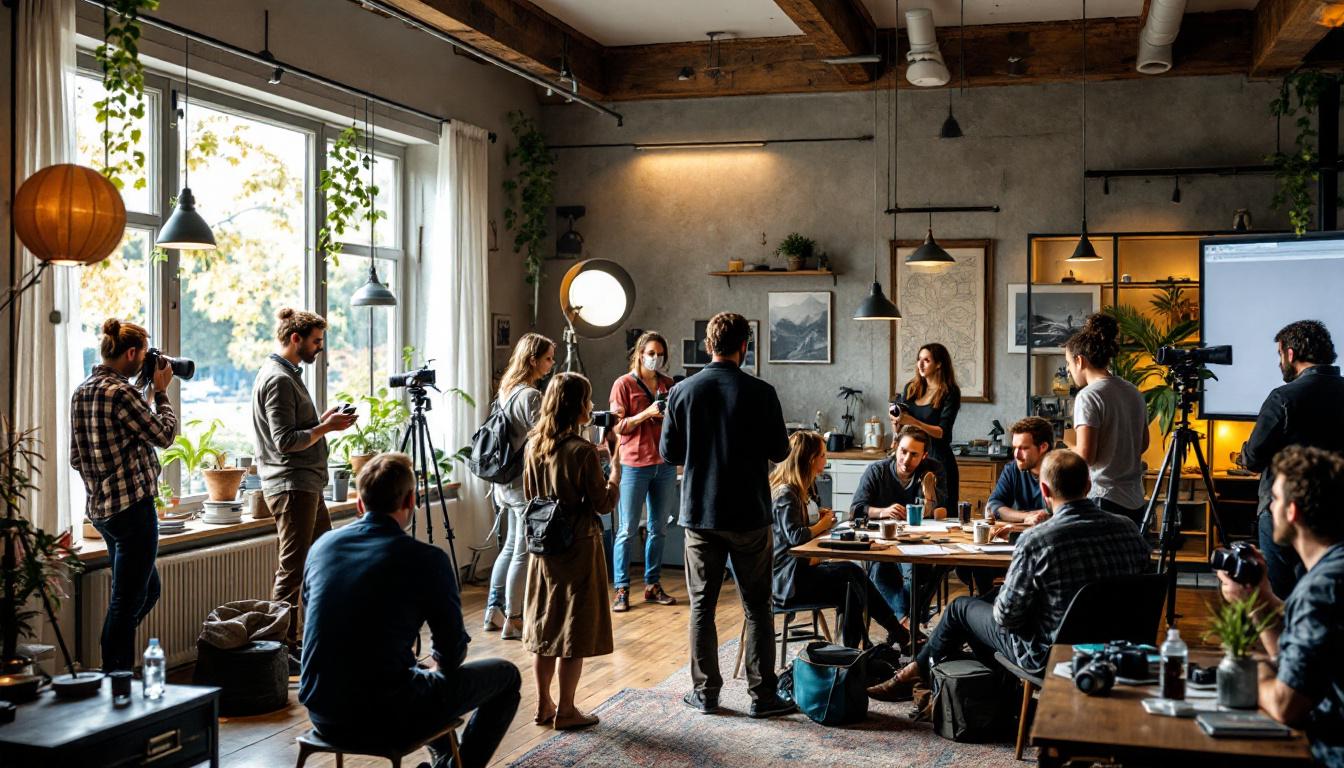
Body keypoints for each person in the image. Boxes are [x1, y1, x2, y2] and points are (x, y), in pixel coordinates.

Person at [867, 449, 1151, 702]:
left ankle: (918, 674)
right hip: (1119, 649)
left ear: (1045, 491)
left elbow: (1006, 618)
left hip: (1048, 654)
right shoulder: (1129, 529)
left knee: (960, 609)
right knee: (989, 599)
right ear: (1089, 486)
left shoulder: (1039, 539)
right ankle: (966, 682)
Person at [300, 453, 521, 768]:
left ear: (360, 504)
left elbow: (320, 621)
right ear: (411, 501)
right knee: (507, 676)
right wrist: (434, 664)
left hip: (322, 712)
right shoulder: (427, 559)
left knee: (411, 672)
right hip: (386, 717)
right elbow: (451, 654)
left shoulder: (321, 547)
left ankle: (447, 757)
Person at [660, 312, 794, 718]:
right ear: (745, 346)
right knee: (757, 607)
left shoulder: (682, 391)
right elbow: (781, 452)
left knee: (702, 606)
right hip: (750, 516)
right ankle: (762, 696)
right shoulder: (762, 391)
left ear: (707, 345)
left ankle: (705, 694)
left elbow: (669, 454)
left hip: (700, 514)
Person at [1214, 445, 1344, 767]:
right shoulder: (1332, 570)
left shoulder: (1321, 589)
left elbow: (1287, 705)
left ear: (1292, 511)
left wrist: (1248, 669)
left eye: (1274, 498)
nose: (1269, 507)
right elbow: (1301, 666)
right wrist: (1260, 599)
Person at [70, 319, 178, 671]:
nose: (146, 360)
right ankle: (116, 682)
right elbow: (163, 435)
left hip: (102, 511)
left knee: (144, 593)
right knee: (125, 603)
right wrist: (161, 392)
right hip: (133, 511)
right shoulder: (122, 393)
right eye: (144, 353)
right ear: (131, 353)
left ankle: (114, 666)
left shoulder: (82, 391)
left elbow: (76, 457)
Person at [251, 308, 357, 663]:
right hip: (292, 485)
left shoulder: (286, 375)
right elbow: (284, 440)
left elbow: (296, 429)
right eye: (316, 341)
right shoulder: (279, 379)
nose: (319, 348)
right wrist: (326, 428)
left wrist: (324, 421)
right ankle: (279, 650)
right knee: (293, 569)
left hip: (304, 484)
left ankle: (308, 640)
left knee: (322, 559)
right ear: (295, 338)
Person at [522, 372, 620, 730]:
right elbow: (603, 502)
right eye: (588, 400)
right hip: (578, 546)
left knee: (546, 625)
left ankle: (543, 704)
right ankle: (566, 709)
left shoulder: (534, 446)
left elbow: (532, 492)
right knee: (573, 628)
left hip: (542, 545)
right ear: (577, 406)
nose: (591, 406)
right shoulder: (581, 452)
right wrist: (616, 468)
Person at [771, 431, 909, 650]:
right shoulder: (786, 493)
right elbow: (796, 537)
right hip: (787, 582)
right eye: (823, 455)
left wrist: (819, 516)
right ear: (810, 459)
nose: (826, 459)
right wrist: (822, 525)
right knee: (851, 576)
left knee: (851, 580)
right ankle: (879, 638)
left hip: (801, 571)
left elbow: (802, 529)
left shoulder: (802, 490)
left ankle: (861, 645)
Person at [1240, 320, 1344, 598]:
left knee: (1281, 595)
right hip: (1337, 510)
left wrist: (1241, 452)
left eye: (1279, 354)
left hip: (1284, 509)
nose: (1279, 362)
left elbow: (1253, 458)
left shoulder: (1283, 398)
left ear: (1290, 353)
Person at [483, 332, 554, 640]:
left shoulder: (506, 391)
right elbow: (544, 439)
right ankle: (513, 619)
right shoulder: (531, 396)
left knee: (510, 547)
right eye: (548, 358)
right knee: (523, 552)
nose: (552, 364)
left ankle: (492, 612)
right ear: (533, 360)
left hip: (503, 483)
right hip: (522, 483)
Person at [608, 330, 678, 613]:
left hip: (664, 465)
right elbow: (617, 426)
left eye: (660, 354)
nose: (656, 358)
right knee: (626, 529)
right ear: (639, 354)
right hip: (634, 465)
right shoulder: (623, 384)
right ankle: (622, 589)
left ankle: (652, 584)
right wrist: (646, 414)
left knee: (659, 528)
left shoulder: (668, 384)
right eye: (651, 353)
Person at [850, 425, 946, 626]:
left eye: (914, 455)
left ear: (924, 456)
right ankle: (907, 623)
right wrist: (883, 512)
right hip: (883, 541)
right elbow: (857, 509)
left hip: (919, 541)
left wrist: (931, 500)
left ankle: (906, 625)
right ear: (895, 447)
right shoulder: (877, 471)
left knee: (925, 569)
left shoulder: (933, 469)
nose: (906, 460)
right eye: (903, 452)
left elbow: (945, 511)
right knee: (878, 569)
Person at [1063, 313, 1149, 525]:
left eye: (1068, 363)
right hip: (1135, 499)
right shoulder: (1132, 390)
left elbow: (1086, 456)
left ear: (1080, 361)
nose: (1068, 370)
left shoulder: (1088, 396)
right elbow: (1143, 443)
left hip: (1104, 498)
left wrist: (1066, 449)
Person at [890, 342, 961, 510]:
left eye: (926, 360)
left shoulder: (950, 392)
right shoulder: (911, 388)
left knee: (940, 511)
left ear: (939, 364)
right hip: (912, 457)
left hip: (938, 458)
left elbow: (942, 432)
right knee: (906, 508)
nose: (920, 364)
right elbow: (899, 429)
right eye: (919, 359)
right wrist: (896, 421)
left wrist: (913, 422)